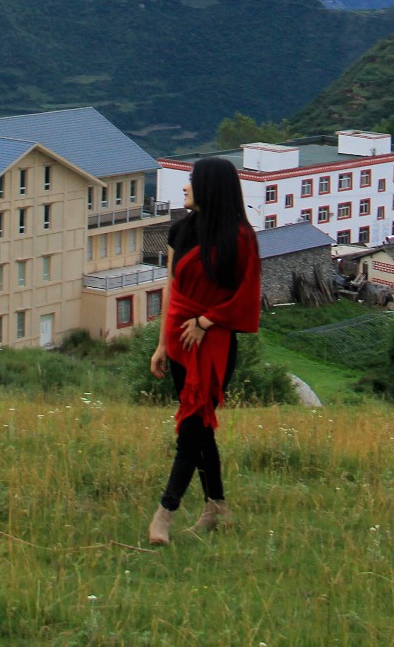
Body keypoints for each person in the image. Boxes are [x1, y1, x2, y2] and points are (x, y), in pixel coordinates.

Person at [148, 155, 261, 546]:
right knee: (201, 429)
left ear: (210, 188)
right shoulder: (180, 232)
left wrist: (205, 322)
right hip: (180, 340)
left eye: (191, 181)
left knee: (191, 428)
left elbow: (246, 296)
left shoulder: (241, 239)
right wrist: (163, 342)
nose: (184, 187)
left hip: (214, 344)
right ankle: (218, 509)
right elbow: (172, 288)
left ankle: (164, 514)